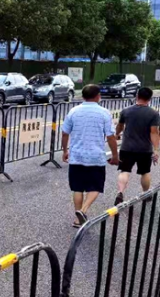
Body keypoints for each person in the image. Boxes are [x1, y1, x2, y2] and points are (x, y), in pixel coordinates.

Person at [62, 84, 119, 228]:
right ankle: (83, 210)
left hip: (77, 156)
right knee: (95, 186)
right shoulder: (104, 112)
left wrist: (65, 150)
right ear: (98, 96)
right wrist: (115, 155)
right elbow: (111, 137)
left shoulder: (74, 111)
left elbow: (65, 133)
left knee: (77, 187)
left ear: (83, 96)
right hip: (95, 156)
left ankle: (77, 218)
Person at [115, 87, 160, 205]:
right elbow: (154, 132)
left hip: (127, 147)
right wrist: (156, 150)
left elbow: (120, 126)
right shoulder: (153, 113)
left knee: (124, 170)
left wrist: (116, 134)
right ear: (149, 99)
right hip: (144, 149)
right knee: (145, 172)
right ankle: (146, 194)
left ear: (137, 96)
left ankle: (120, 193)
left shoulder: (126, 111)